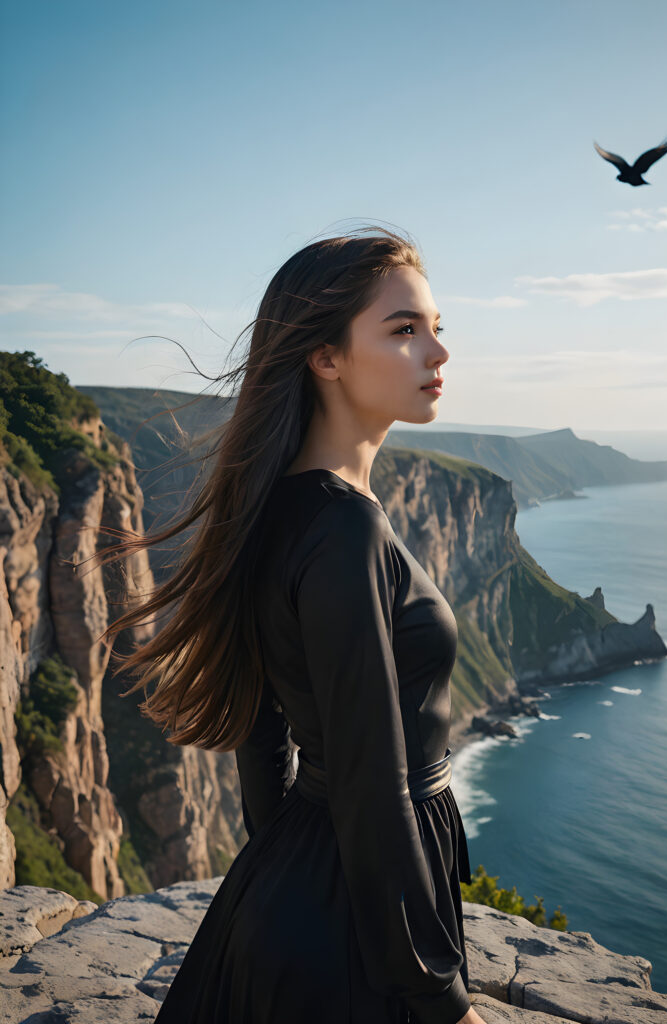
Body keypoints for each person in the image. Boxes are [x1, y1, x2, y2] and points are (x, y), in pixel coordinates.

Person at [97, 225, 485, 1023]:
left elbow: (263, 735)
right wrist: (444, 1003)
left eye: (437, 328)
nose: (439, 352)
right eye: (405, 330)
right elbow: (374, 788)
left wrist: (283, 874)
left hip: (307, 897)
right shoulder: (345, 533)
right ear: (326, 356)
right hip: (354, 934)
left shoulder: (280, 511)